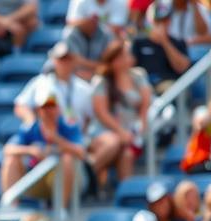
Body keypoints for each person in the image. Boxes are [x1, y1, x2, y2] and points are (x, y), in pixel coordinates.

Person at [1, 82, 86, 209]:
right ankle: (10, 208)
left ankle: (61, 209)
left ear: (58, 108)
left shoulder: (69, 126)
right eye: (44, 107)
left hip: (71, 182)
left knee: (68, 159)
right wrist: (31, 150)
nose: (48, 111)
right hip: (39, 180)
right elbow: (8, 149)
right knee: (11, 160)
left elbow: (81, 152)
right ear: (38, 110)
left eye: (51, 106)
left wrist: (58, 140)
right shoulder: (31, 128)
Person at [89, 40, 152, 186]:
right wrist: (120, 132)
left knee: (127, 154)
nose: (128, 57)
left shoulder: (138, 75)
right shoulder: (102, 81)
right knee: (113, 143)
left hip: (131, 132)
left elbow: (145, 101)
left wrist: (141, 124)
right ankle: (89, 176)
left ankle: (124, 198)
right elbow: (101, 112)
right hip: (106, 131)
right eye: (123, 55)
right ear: (114, 60)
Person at [14, 41, 94, 132]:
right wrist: (31, 122)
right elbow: (21, 105)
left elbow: (91, 116)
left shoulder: (85, 88)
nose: (65, 63)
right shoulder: (40, 82)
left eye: (68, 59)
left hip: (75, 139)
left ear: (74, 60)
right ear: (53, 60)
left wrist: (82, 135)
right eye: (61, 59)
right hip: (45, 138)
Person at [132, 0, 190, 93]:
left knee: (169, 87)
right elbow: (131, 67)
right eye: (157, 21)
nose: (161, 25)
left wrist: (164, 42)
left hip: (169, 90)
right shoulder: (139, 42)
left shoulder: (177, 42)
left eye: (164, 21)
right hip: (144, 87)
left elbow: (182, 67)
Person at [61, 1, 114, 80]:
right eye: (87, 19)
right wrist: (98, 66)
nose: (91, 22)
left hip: (99, 76)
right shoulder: (71, 34)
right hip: (76, 76)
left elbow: (109, 62)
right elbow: (74, 61)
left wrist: (96, 70)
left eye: (93, 20)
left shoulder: (105, 33)